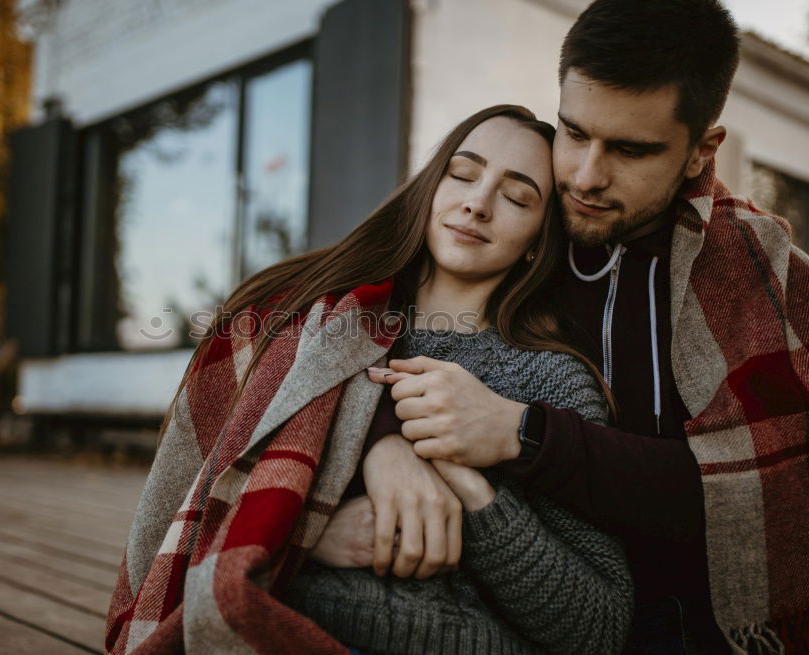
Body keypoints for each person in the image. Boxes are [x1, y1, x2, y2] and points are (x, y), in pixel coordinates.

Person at [364, 1, 809, 653]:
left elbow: (760, 496)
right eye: (574, 132)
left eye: (630, 149)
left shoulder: (763, 277)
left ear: (699, 151)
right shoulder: (524, 226)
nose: (586, 176)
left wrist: (521, 432)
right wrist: (384, 444)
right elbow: (360, 324)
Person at [106, 106, 633, 654]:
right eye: (463, 173)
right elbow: (201, 507)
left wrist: (470, 493)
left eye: (517, 197)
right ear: (430, 186)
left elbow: (598, 627)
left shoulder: (549, 379)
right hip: (269, 629)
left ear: (536, 242)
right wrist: (306, 534)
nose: (478, 203)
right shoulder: (304, 318)